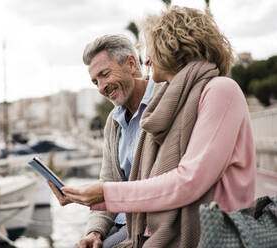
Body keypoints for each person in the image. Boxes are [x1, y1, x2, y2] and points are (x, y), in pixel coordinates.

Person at [59, 6, 256, 248]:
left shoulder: (220, 90)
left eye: (151, 51)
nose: (147, 61)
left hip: (217, 230)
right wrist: (96, 229)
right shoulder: (169, 104)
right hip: (153, 224)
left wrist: (106, 194)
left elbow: (189, 181)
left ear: (173, 47)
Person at [48, 34, 156, 248]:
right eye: (95, 81)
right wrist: (95, 232)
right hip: (120, 224)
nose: (100, 87)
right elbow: (108, 181)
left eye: (104, 75)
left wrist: (103, 193)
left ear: (132, 64)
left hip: (146, 226)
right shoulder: (113, 121)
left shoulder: (163, 103)